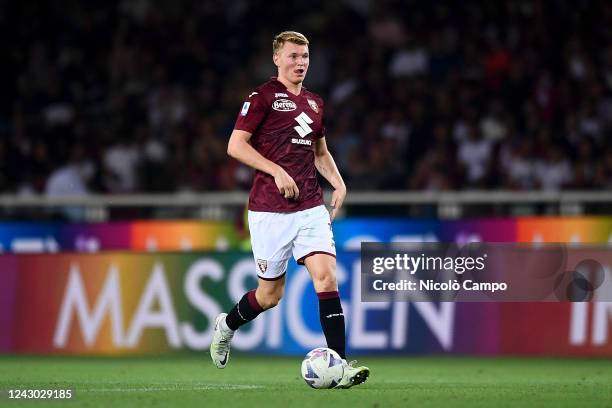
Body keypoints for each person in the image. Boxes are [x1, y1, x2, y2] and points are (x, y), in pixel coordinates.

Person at [209, 31, 369, 388]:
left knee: (326, 278)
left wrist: (339, 182)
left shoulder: (315, 103)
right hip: (268, 211)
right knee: (269, 296)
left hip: (310, 206)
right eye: (294, 56)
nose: (301, 63)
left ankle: (339, 365)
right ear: (277, 59)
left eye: (305, 57)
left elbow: (320, 153)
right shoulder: (262, 97)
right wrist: (276, 169)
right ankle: (227, 325)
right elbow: (235, 145)